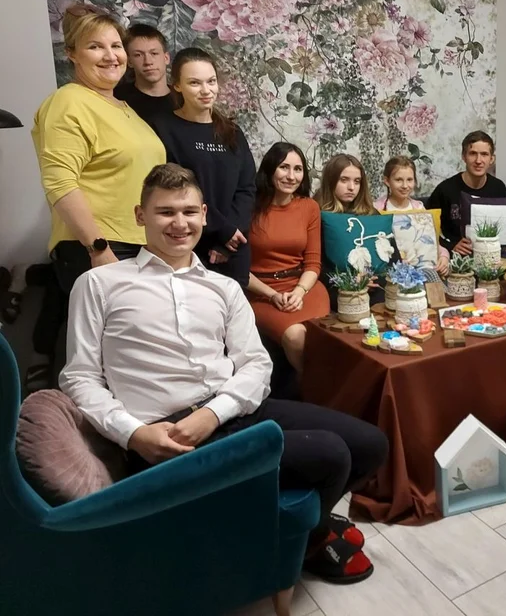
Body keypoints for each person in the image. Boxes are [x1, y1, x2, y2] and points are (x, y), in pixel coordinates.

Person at [59, 163, 388, 584]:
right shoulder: (99, 284)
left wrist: (213, 413)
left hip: (232, 409)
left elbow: (256, 363)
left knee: (371, 444)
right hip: (166, 436)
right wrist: (134, 434)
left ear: (203, 215)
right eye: (165, 212)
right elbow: (79, 377)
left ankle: (304, 525)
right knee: (330, 454)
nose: (180, 223)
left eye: (188, 212)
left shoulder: (224, 287)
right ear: (141, 216)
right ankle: (307, 539)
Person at [31, 2, 165, 305]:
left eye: (116, 46)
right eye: (95, 47)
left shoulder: (124, 108)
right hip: (102, 246)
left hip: (141, 244)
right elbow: (60, 182)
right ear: (71, 53)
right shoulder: (68, 102)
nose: (110, 56)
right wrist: (98, 248)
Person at [146, 48, 256, 286]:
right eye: (195, 83)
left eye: (211, 81)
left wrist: (230, 236)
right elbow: (174, 189)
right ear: (177, 85)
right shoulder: (162, 128)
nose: (206, 90)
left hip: (232, 247)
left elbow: (246, 188)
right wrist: (221, 230)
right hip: (186, 244)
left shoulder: (233, 133)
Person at [247, 143, 329, 374]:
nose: (291, 176)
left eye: (298, 169)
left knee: (324, 336)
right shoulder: (249, 207)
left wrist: (299, 292)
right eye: (284, 167)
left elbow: (313, 263)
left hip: (304, 287)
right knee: (296, 336)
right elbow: (238, 268)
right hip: (260, 292)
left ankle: (329, 390)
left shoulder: (309, 207)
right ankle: (314, 390)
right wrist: (272, 295)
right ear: (270, 169)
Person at [427, 131, 506, 255]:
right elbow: (426, 228)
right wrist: (450, 246)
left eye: (484, 154)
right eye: (473, 154)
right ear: (464, 156)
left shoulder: (498, 188)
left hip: (491, 254)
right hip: (456, 257)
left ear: (491, 159)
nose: (478, 160)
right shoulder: (445, 190)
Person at [373, 156, 450, 277]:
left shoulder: (419, 208)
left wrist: (444, 257)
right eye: (398, 180)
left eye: (409, 180)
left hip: (420, 273)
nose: (405, 185)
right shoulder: (376, 209)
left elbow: (433, 243)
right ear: (387, 181)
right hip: (390, 275)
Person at [113, 23, 176, 121]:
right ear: (129, 62)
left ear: (166, 58)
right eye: (138, 55)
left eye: (154, 53)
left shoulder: (185, 99)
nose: (148, 62)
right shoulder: (116, 98)